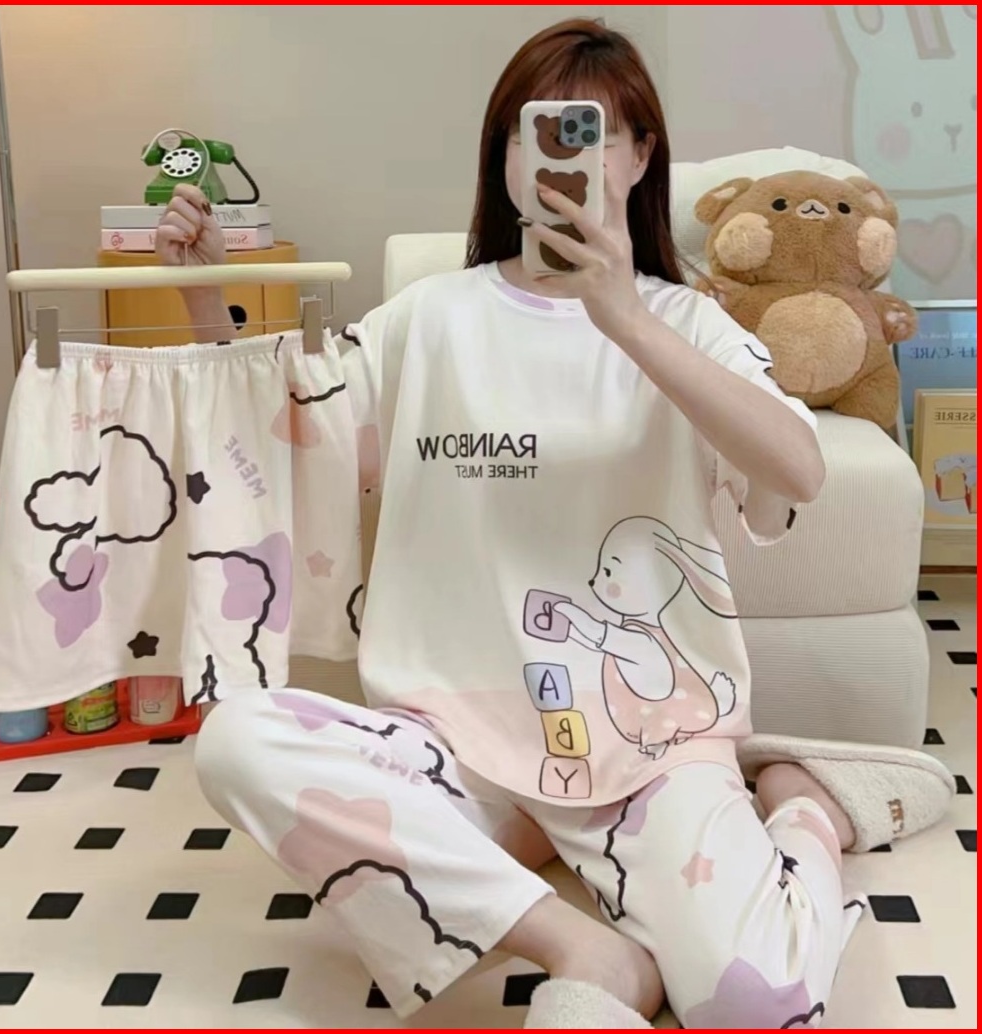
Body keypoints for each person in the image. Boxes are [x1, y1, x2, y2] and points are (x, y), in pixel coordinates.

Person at [156, 18, 953, 1030]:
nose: (560, 157)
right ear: (502, 156)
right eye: (533, 131)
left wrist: (623, 317)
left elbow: (795, 469)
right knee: (237, 737)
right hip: (453, 739)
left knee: (760, 1004)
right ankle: (582, 949)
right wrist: (206, 295)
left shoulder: (689, 323)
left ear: (640, 156)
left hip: (651, 745)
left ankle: (807, 803)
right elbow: (296, 444)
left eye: (593, 131)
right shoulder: (429, 318)